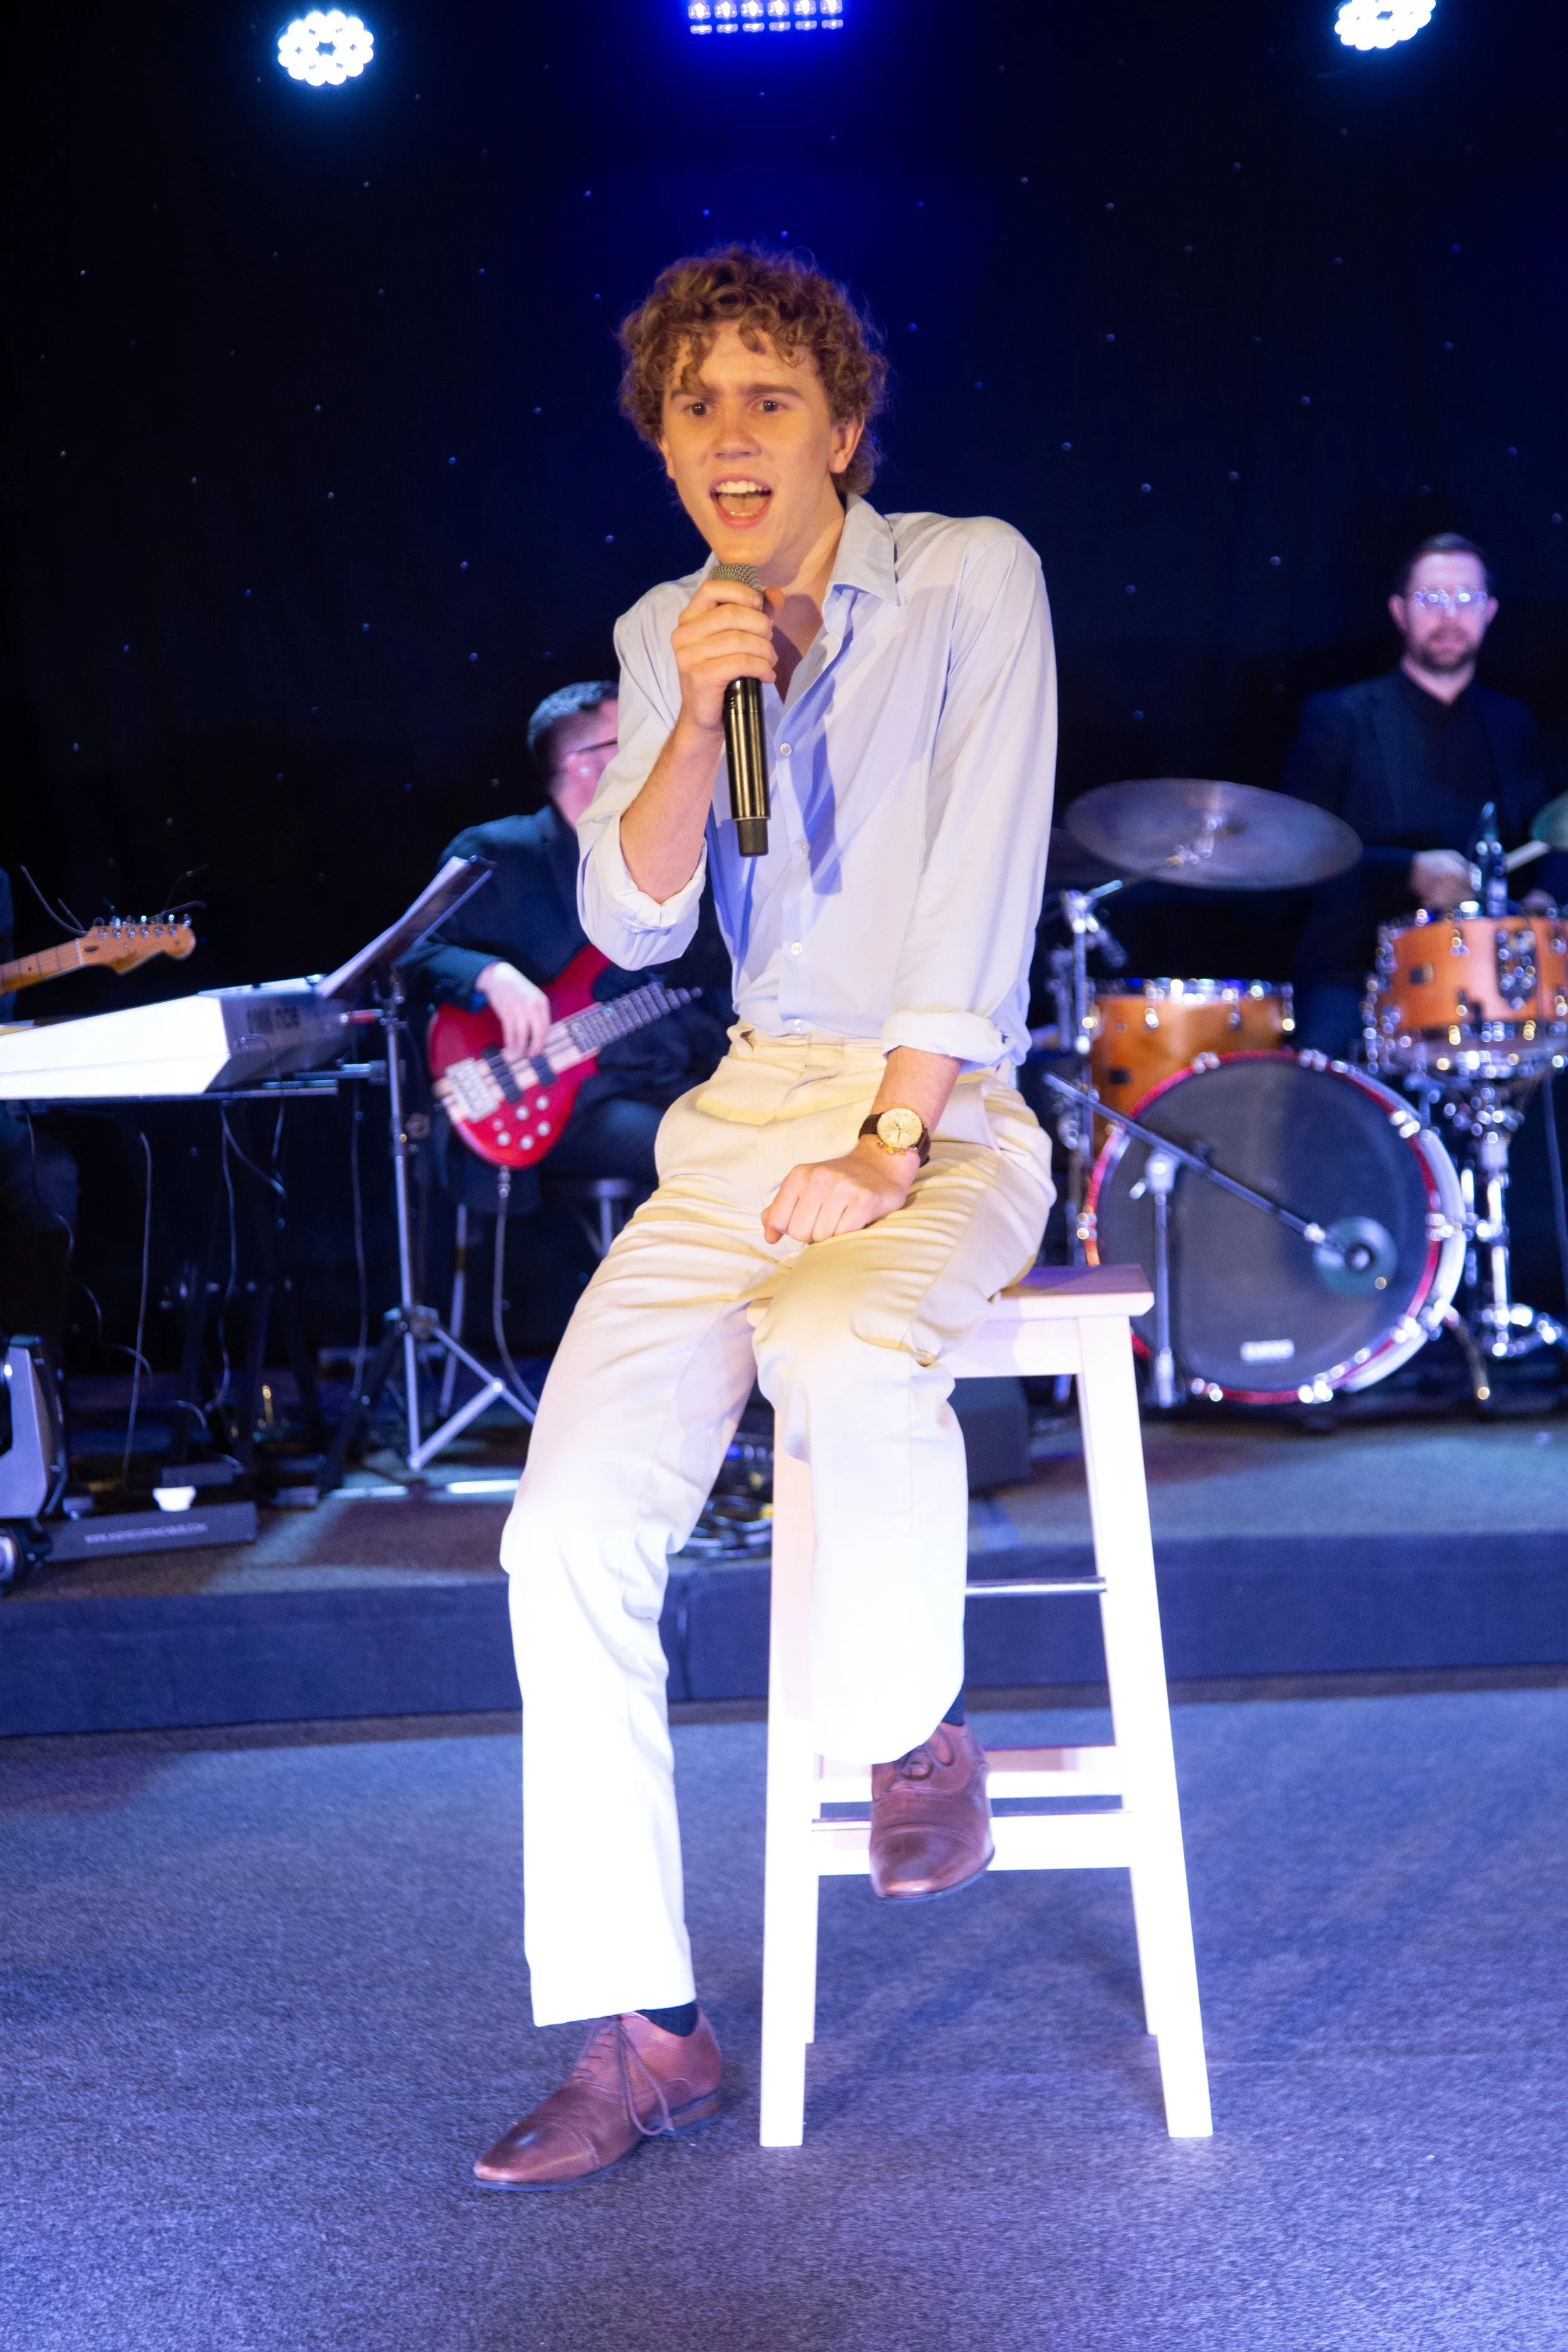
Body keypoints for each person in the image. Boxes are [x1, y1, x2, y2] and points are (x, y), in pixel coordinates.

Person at [473, 247, 1057, 2193]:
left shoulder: (967, 573)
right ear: (659, 443)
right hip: (738, 1113)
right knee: (562, 1526)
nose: (731, 436)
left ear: (841, 427)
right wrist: (693, 700)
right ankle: (641, 2028)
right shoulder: (669, 625)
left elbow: (979, 868)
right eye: (692, 406)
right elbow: (635, 917)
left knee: (829, 1337)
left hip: (941, 1092)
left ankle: (912, 1726)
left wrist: (892, 1135)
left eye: (766, 399)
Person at [400, 681, 732, 1205]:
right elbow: (409, 957)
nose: (657, 746)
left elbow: (712, 983)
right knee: (713, 1155)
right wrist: (492, 976)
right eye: (634, 737)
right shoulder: (497, 854)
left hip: (676, 1074)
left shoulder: (677, 854)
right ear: (582, 762)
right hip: (570, 1103)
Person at [1287, 532, 1551, 1057]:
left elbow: (1549, 833)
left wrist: (1543, 900)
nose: (1449, 615)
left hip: (1487, 970)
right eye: (1431, 598)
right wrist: (1408, 870)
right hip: (1359, 965)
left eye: (1466, 599)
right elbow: (1298, 849)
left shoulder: (1513, 723)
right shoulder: (1340, 716)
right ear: (1399, 610)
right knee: (1325, 1068)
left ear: (1490, 611)